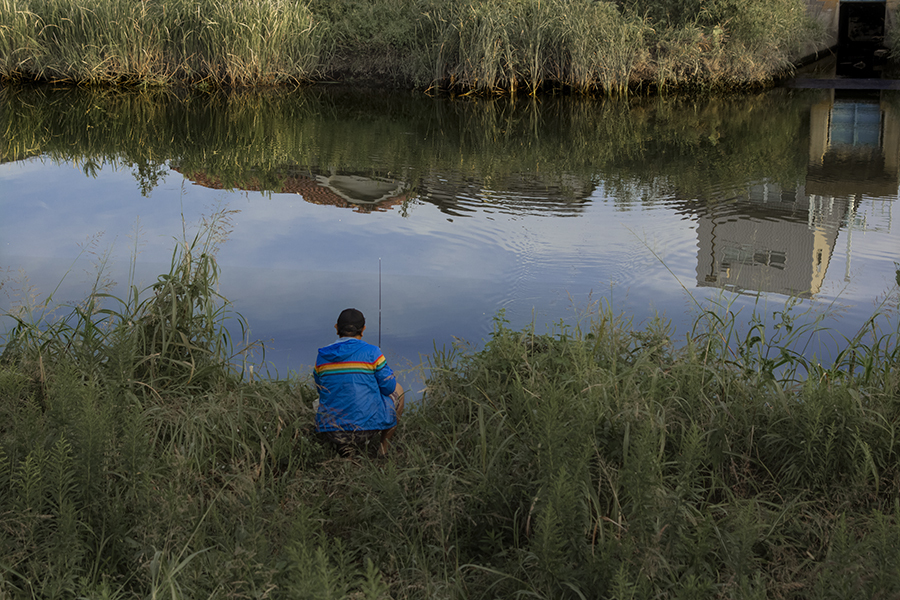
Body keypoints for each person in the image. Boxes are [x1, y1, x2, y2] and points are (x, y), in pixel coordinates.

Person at [314, 308, 405, 457]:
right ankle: (383, 448)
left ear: (336, 328)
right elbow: (389, 388)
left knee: (321, 400)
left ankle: (344, 449)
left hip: (332, 431)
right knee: (399, 389)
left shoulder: (322, 356)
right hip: (366, 431)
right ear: (363, 330)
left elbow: (321, 390)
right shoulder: (373, 352)